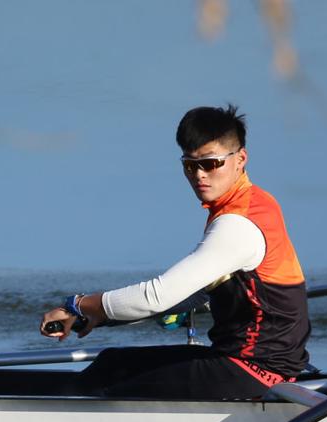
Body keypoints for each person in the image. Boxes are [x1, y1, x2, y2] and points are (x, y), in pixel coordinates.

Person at [38, 104, 310, 399]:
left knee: (111, 390)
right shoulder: (257, 202)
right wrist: (102, 317)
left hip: (255, 372)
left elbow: (158, 296)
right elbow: (198, 292)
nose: (199, 176)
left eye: (210, 163)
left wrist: (81, 304)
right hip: (248, 362)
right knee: (111, 364)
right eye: (190, 165)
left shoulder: (237, 224)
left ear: (240, 159)